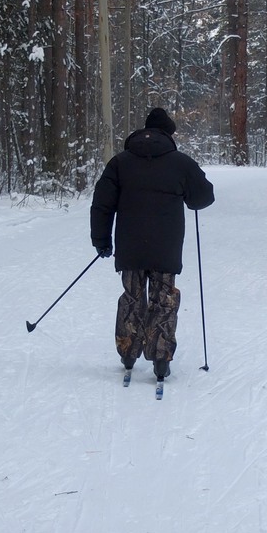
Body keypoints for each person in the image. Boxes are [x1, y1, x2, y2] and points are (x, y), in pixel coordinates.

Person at [90, 108, 215, 381]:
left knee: (132, 297)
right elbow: (203, 198)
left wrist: (101, 240)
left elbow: (101, 204)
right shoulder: (180, 163)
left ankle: (128, 352)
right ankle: (160, 358)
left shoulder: (120, 163)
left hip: (130, 247)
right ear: (168, 134)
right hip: (166, 247)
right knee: (163, 300)